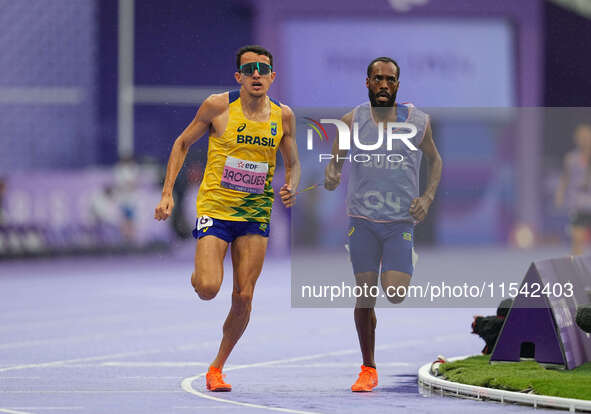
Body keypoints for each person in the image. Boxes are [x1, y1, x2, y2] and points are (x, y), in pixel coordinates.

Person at [154, 45, 300, 392]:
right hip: (217, 210)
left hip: (255, 214)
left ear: (272, 77)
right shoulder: (217, 106)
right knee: (207, 288)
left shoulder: (284, 116)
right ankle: (200, 270)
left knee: (244, 296)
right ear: (238, 76)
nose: (256, 75)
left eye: (263, 69)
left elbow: (292, 162)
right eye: (249, 69)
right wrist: (166, 194)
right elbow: (181, 143)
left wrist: (291, 185)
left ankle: (217, 367)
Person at [324, 57, 442, 392]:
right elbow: (335, 165)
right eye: (378, 78)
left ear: (397, 86)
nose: (384, 84)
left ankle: (404, 257)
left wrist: (428, 198)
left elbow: (435, 161)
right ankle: (368, 368)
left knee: (395, 293)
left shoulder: (418, 122)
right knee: (365, 296)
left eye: (390, 79)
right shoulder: (352, 120)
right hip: (361, 221)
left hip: (399, 223)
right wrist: (332, 176)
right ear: (367, 82)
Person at [555, 124, 591, 256]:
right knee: (577, 239)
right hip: (578, 204)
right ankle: (577, 267)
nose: (584, 140)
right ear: (576, 139)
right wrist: (559, 195)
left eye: (587, 136)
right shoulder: (571, 158)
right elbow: (565, 179)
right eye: (581, 137)